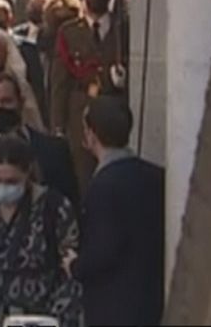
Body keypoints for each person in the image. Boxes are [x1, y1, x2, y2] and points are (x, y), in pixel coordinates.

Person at [0, 73, 78, 273]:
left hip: (46, 271)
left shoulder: (54, 150)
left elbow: (72, 208)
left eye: (6, 101)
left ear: (20, 101)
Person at [0, 135, 84, 327]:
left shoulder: (55, 209)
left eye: (11, 181)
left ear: (28, 173)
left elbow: (71, 273)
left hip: (39, 317)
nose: (3, 187)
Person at [71, 97, 163, 327]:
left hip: (113, 306)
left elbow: (104, 248)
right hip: (151, 299)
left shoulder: (103, 186)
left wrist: (75, 265)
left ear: (91, 134)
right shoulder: (157, 176)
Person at [50, 0, 127, 192]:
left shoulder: (123, 29)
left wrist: (122, 81)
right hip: (80, 113)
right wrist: (58, 124)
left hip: (114, 109)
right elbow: (59, 82)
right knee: (83, 178)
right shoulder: (69, 32)